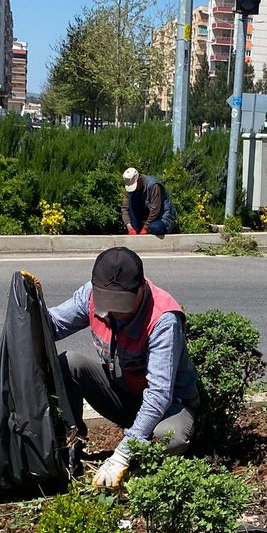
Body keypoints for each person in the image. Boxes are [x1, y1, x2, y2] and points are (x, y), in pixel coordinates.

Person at [48, 246, 200, 488]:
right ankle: (71, 446)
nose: (115, 312)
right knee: (70, 364)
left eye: (122, 304)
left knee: (168, 438)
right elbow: (53, 324)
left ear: (141, 288)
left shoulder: (163, 320)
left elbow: (159, 394)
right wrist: (27, 314)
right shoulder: (92, 295)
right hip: (125, 395)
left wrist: (123, 454)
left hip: (169, 406)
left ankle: (144, 480)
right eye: (108, 302)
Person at [121, 167, 177, 236]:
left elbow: (155, 209)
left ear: (139, 179)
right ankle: (136, 230)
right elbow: (125, 209)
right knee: (132, 198)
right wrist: (130, 228)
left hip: (162, 217)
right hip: (147, 215)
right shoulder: (129, 188)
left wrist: (145, 228)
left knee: (155, 228)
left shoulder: (153, 185)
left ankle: (148, 229)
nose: (134, 189)